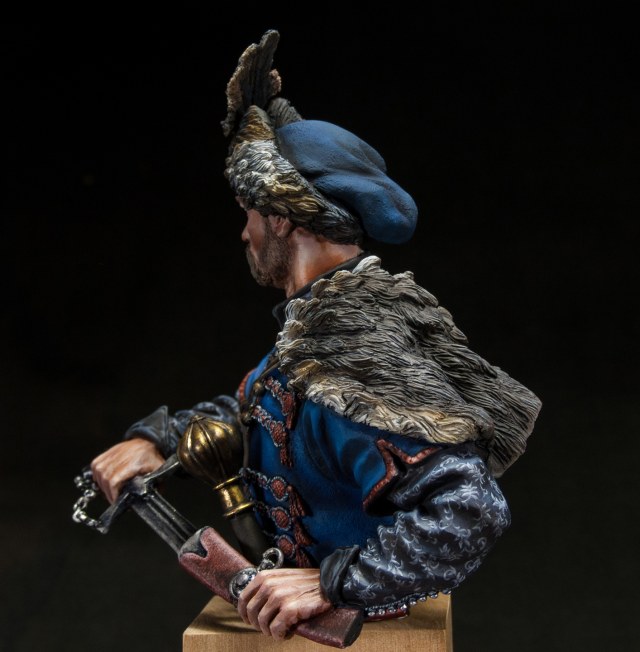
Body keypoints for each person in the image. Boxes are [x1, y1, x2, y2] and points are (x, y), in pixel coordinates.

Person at [91, 31, 541, 641]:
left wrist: (339, 583)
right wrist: (163, 442)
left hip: (351, 616)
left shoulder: (354, 349)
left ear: (280, 218)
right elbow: (264, 412)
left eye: (249, 213)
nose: (245, 233)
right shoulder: (317, 331)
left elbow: (469, 508)